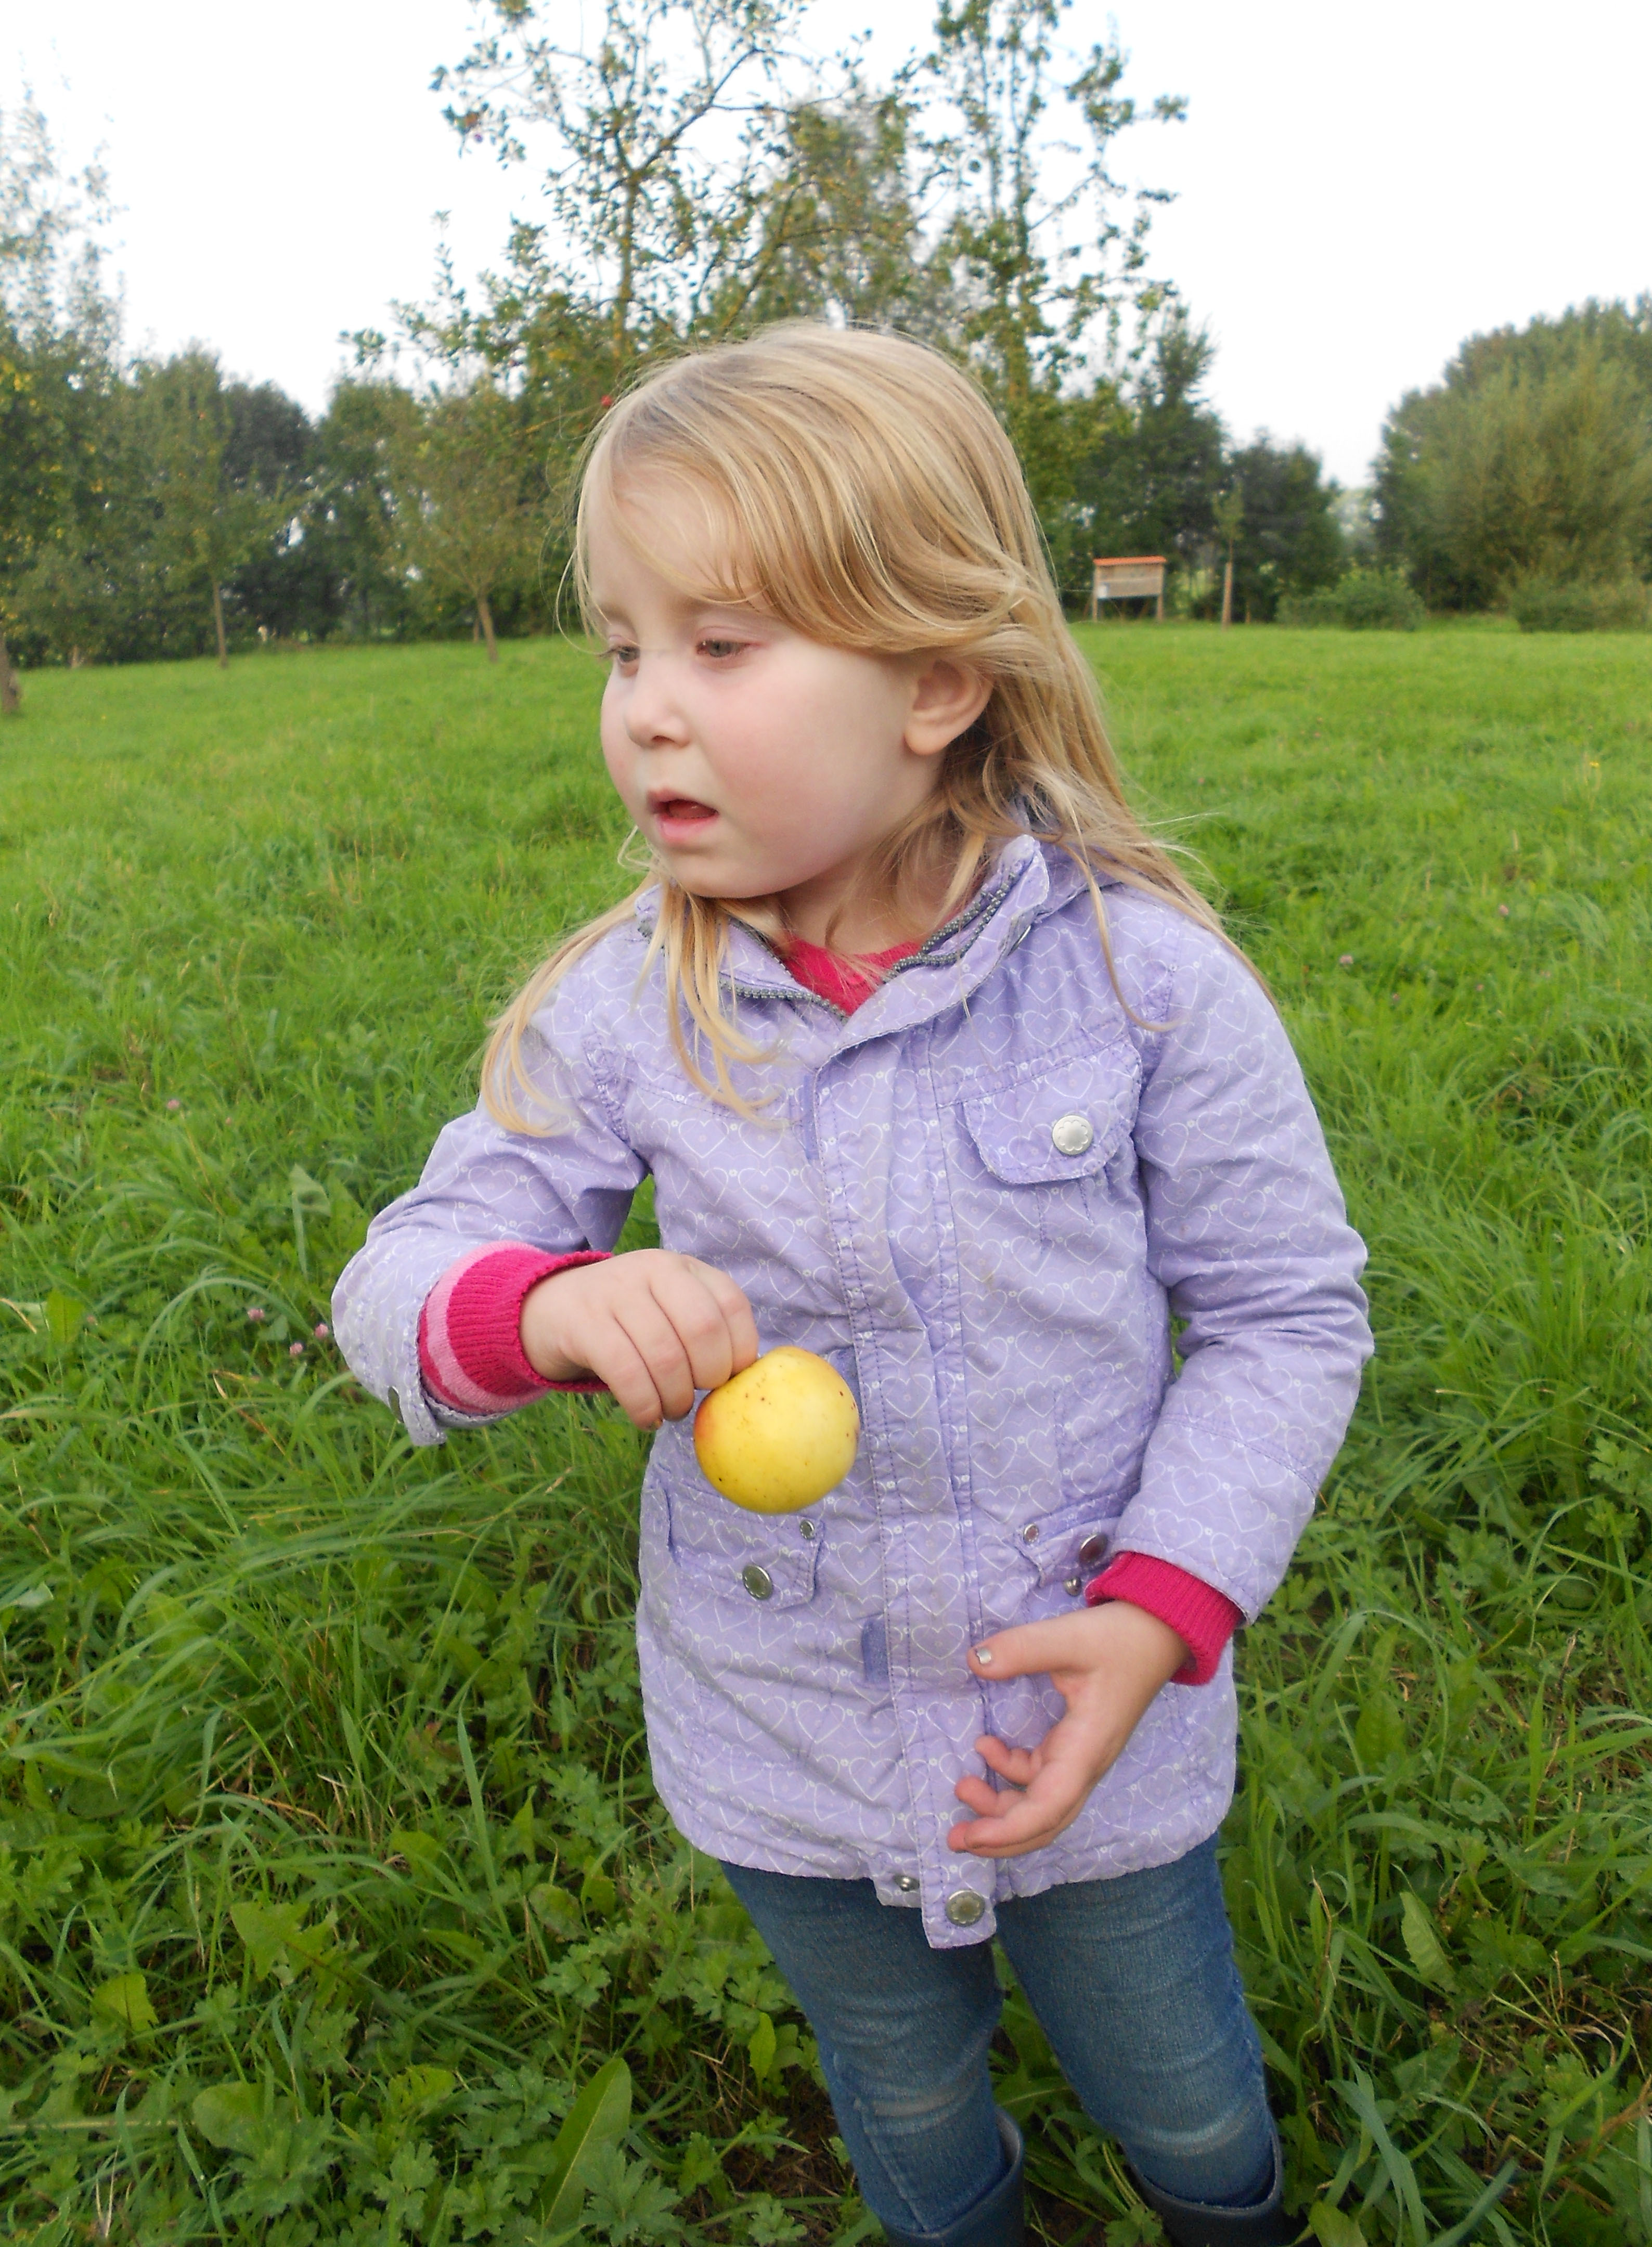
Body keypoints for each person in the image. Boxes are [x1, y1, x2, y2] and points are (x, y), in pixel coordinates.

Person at [333, 324, 1371, 2247]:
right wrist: (538, 1307)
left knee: (1182, 2091)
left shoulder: (1142, 985)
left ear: (936, 684)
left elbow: (1285, 1313)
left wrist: (1162, 1610)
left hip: (1097, 1722)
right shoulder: (624, 1010)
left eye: (721, 645)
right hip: (787, 1742)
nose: (647, 712)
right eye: (622, 649)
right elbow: (398, 1276)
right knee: (900, 2084)